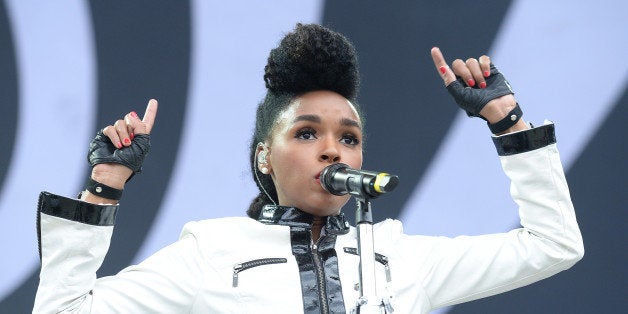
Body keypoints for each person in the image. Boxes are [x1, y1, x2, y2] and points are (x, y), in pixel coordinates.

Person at [33, 23, 583, 313]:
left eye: (349, 137)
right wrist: (104, 189)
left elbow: (554, 245)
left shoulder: (402, 256)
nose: (332, 151)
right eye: (306, 133)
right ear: (263, 156)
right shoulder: (210, 252)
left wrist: (508, 124)